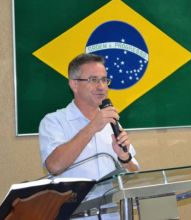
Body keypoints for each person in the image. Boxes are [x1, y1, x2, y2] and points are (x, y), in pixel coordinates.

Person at [39, 53, 139, 219]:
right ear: (74, 84)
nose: (101, 87)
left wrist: (125, 158)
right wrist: (92, 126)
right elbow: (54, 166)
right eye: (93, 80)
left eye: (104, 80)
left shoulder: (112, 122)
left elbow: (135, 175)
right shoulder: (54, 122)